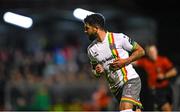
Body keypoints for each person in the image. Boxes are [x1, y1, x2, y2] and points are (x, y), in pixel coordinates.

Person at [83, 13, 145, 111]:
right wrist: (98, 71)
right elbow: (95, 72)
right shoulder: (91, 50)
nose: (85, 31)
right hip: (115, 89)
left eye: (87, 28)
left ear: (95, 28)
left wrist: (126, 61)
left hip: (130, 80)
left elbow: (141, 51)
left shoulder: (119, 38)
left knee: (124, 109)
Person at [134, 44, 177, 111]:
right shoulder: (145, 62)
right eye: (150, 52)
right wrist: (124, 60)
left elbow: (174, 71)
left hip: (167, 88)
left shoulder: (163, 60)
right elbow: (133, 62)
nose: (152, 53)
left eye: (153, 51)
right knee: (166, 109)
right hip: (156, 90)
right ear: (147, 54)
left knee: (169, 109)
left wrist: (164, 76)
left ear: (157, 51)